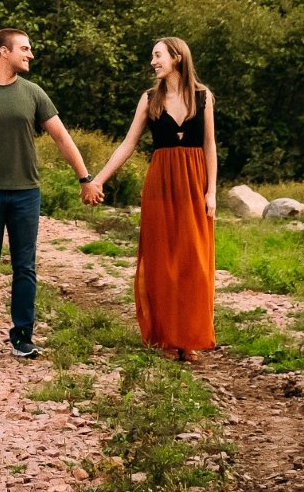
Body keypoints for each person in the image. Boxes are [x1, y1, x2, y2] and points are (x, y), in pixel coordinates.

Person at [0, 27, 98, 360]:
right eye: (25, 49)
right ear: (4, 52)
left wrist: (85, 177)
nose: (30, 55)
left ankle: (22, 337)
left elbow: (62, 137)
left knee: (25, 268)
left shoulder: (33, 93)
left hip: (26, 194)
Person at [86, 35, 218, 359]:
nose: (153, 62)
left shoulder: (203, 97)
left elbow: (209, 146)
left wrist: (212, 191)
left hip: (194, 183)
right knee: (161, 262)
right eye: (153, 56)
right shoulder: (149, 99)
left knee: (193, 263)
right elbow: (128, 143)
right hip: (160, 184)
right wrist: (98, 180)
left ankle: (189, 337)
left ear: (176, 57)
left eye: (157, 55)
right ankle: (167, 338)